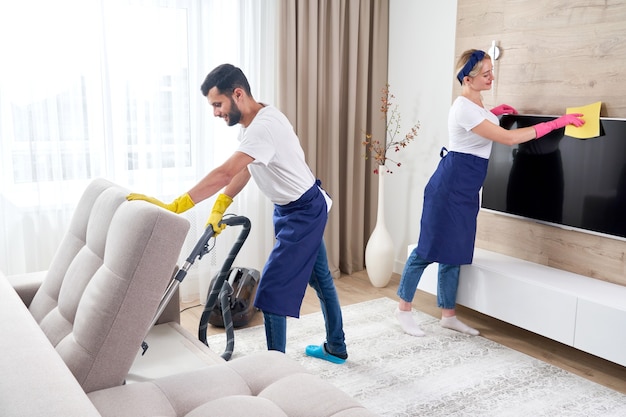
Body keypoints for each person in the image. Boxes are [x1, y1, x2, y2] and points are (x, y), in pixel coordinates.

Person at [127, 63, 348, 364]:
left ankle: (274, 371)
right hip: (292, 209)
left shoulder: (262, 128)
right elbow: (245, 169)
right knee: (321, 280)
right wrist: (221, 205)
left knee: (270, 291)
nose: (216, 112)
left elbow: (225, 172)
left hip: (304, 213)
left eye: (218, 104)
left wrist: (177, 205)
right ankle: (336, 346)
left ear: (238, 94)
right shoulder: (258, 120)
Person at [395, 49, 585, 337]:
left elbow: (476, 129)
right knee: (426, 250)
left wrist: (494, 114)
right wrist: (557, 123)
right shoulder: (463, 107)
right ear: (468, 79)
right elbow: (508, 139)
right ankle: (403, 311)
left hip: (466, 189)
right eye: (486, 74)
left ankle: (448, 315)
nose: (491, 77)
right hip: (448, 188)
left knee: (455, 253)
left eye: (491, 71)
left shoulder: (476, 104)